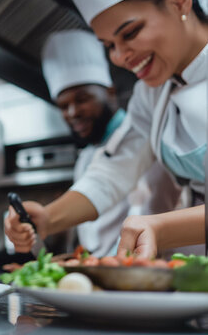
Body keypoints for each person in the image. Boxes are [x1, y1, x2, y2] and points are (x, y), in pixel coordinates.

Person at [6, 0, 207, 259]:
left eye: (130, 33)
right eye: (109, 45)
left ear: (179, 1)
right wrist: (47, 218)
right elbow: (113, 172)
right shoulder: (152, 96)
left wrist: (160, 227)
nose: (120, 57)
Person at [40, 29, 181, 257]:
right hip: (105, 273)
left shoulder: (150, 140)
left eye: (83, 98)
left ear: (110, 92)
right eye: (63, 106)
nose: (73, 112)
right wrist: (47, 218)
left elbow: (143, 206)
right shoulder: (87, 157)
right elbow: (103, 185)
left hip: (147, 268)